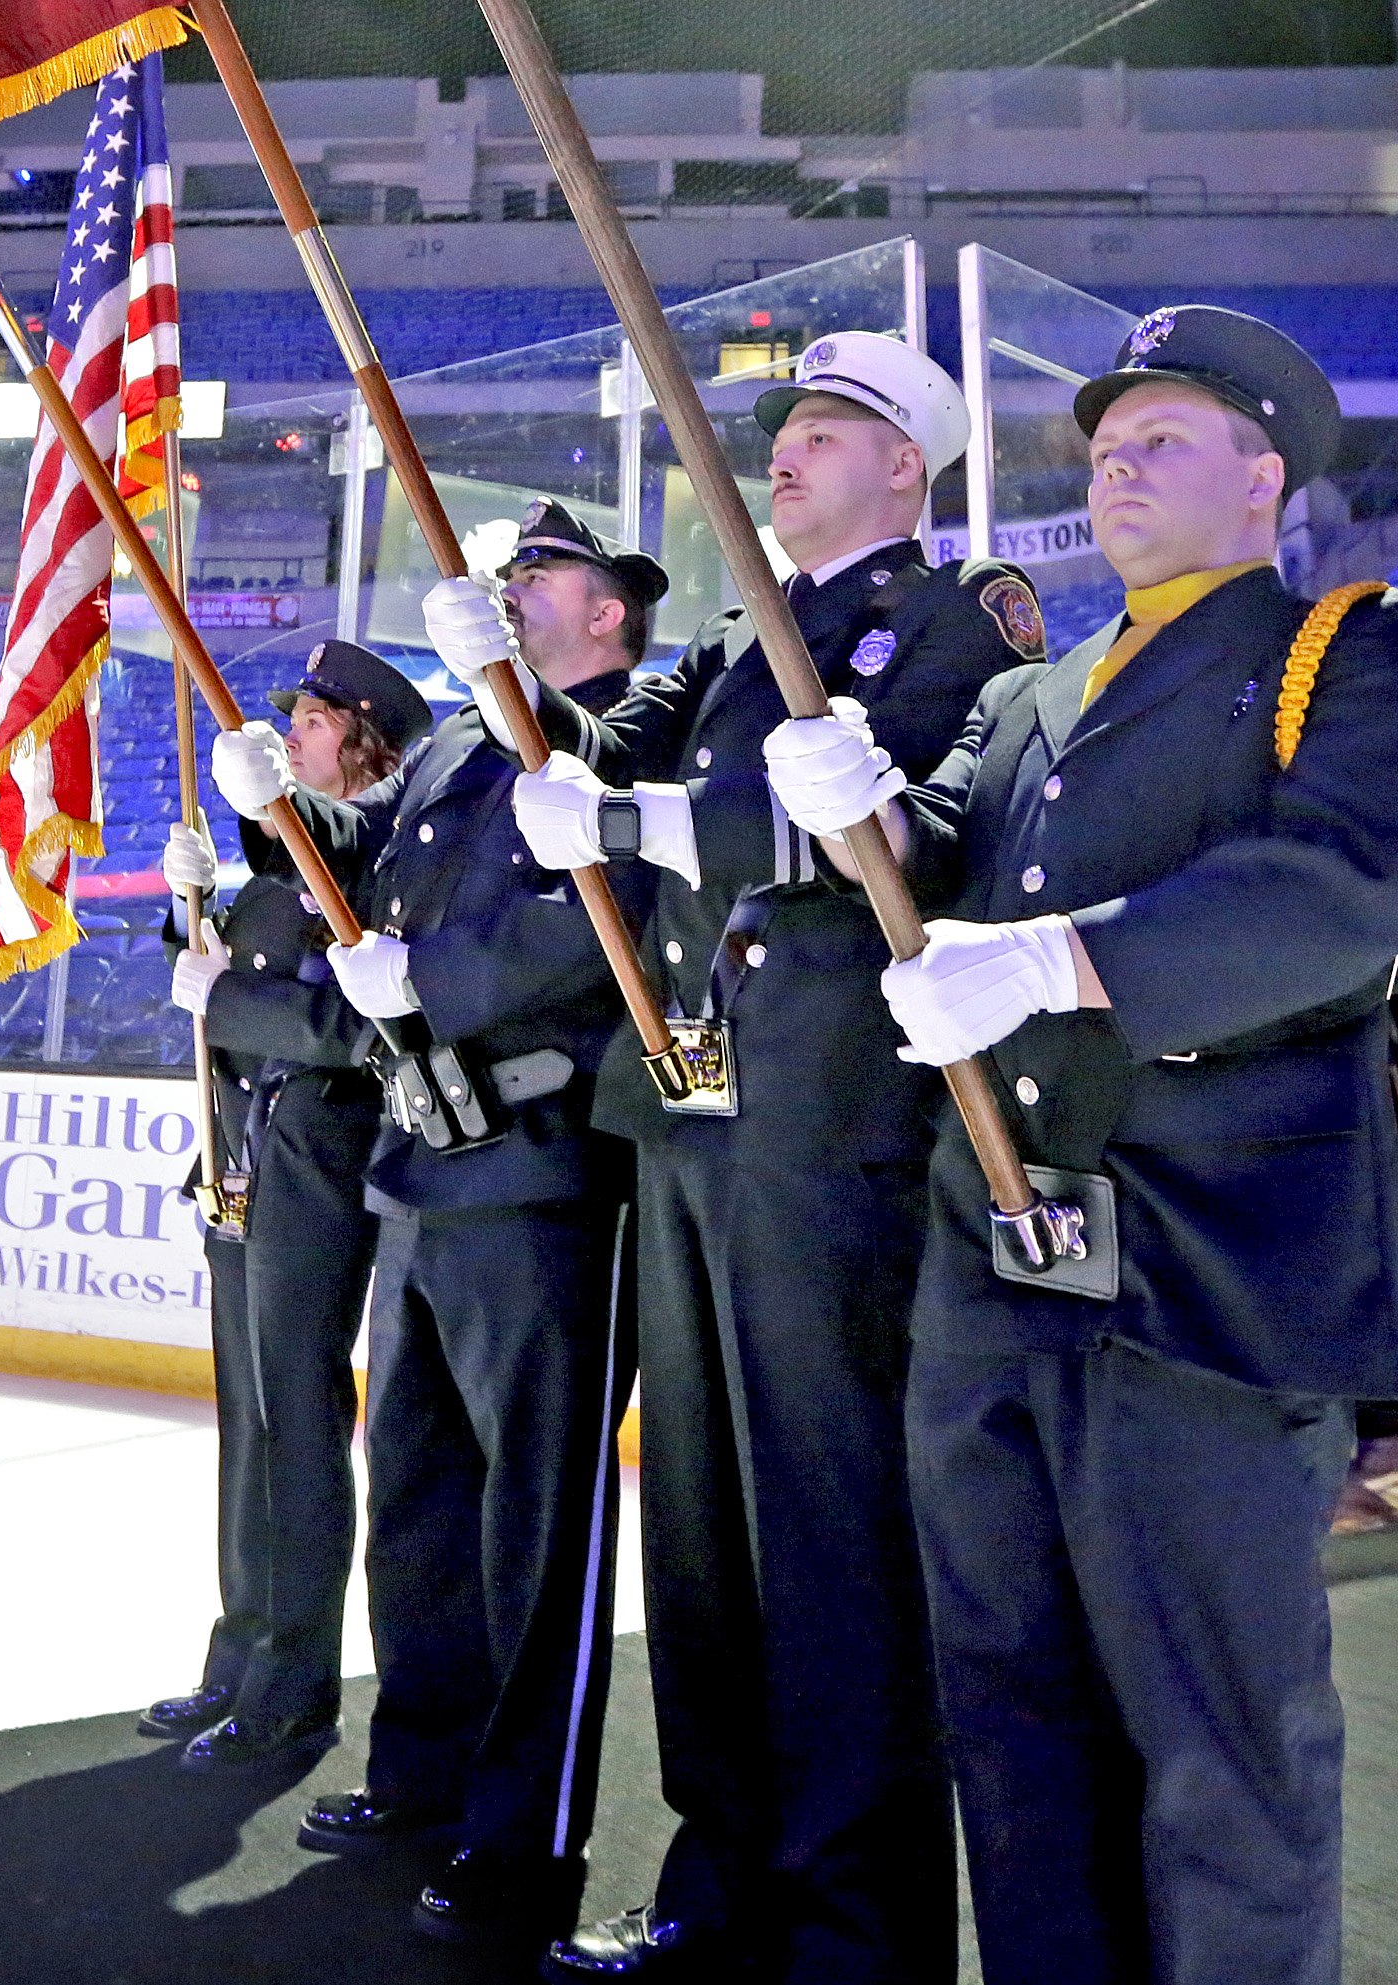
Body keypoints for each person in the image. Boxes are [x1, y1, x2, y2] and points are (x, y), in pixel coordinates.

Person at [765, 303, 1398, 1985]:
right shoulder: (1039, 695)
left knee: (1221, 1753)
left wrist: (1060, 960)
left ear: (1265, 476)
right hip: (1001, 1269)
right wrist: (849, 805)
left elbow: (1340, 888)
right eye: (1104, 449)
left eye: (1162, 440)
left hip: (1202, 1283)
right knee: (1018, 1733)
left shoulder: (1356, 656)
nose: (1119, 469)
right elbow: (937, 851)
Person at [431, 337, 1048, 1984]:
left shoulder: (951, 621)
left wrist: (626, 827)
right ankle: (724, 1883)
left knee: (833, 1534)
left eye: (829, 427)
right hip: (693, 1112)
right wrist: (508, 679)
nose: (783, 450)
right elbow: (598, 768)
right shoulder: (716, 643)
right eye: (780, 428)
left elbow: (875, 838)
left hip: (830, 1127)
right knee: (701, 1531)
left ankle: (856, 1930)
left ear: (910, 465)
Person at [209, 505, 660, 1951]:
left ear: (613, 614)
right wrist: (274, 802)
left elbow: (591, 915)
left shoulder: (617, 735)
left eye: (546, 579)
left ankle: (524, 1840)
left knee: (540, 1532)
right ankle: (424, 1768)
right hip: (424, 1163)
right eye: (507, 576)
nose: (516, 593)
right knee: (417, 1505)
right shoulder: (472, 741)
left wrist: (431, 983)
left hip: (538, 1171)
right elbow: (376, 852)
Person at [138, 641, 432, 1772]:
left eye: (313, 718)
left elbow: (356, 1031)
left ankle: (292, 1681)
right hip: (241, 1154)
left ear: (367, 737)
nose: (290, 734)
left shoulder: (380, 859)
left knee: (298, 1422)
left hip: (320, 1154)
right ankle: (241, 1645)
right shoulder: (280, 858)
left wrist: (232, 994)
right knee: (249, 1425)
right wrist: (186, 911)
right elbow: (219, 973)